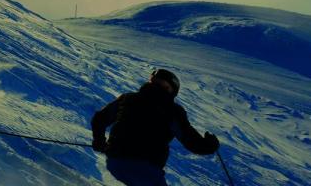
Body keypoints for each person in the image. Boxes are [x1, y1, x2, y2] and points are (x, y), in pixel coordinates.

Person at [91, 68, 220, 186]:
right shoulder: (173, 111)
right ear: (172, 90)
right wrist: (210, 145)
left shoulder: (127, 99)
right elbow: (192, 142)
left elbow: (99, 119)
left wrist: (99, 142)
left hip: (115, 162)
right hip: (146, 169)